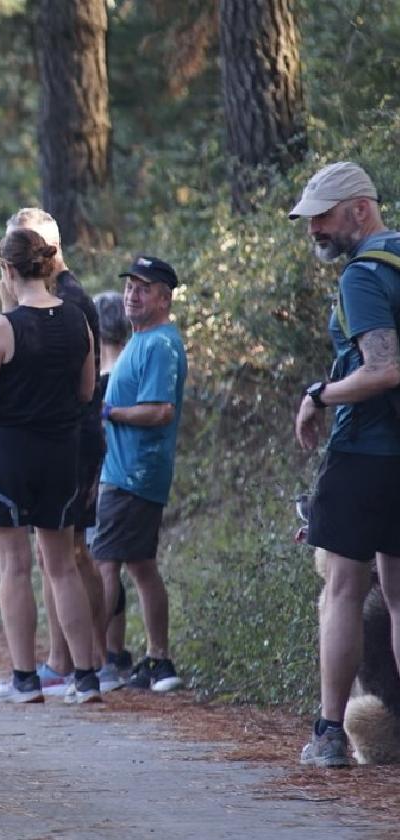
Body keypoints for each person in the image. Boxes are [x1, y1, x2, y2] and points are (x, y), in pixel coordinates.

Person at [288, 161, 400, 767]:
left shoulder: (363, 275)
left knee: (342, 589)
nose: (315, 230)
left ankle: (329, 733)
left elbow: (384, 368)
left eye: (324, 216)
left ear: (361, 208)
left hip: (365, 454)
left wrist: (318, 396)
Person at [0, 228, 100, 705]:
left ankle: (25, 678)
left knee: (14, 566)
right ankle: (86, 677)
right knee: (62, 566)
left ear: (6, 270)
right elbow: (86, 393)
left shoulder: (2, 327)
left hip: (7, 455)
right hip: (62, 454)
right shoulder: (78, 322)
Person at [3, 208, 109, 697]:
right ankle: (68, 660)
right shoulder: (57, 298)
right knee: (63, 556)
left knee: (68, 555)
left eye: (25, 245)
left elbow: (84, 385)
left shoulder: (69, 301)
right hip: (66, 437)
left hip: (72, 438)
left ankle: (85, 659)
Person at [91, 255, 187, 693]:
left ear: (164, 298)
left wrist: (111, 412)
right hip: (126, 471)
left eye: (143, 288)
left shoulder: (160, 344)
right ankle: (158, 660)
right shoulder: (141, 339)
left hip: (133, 473)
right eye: (130, 286)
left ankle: (94, 663)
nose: (132, 293)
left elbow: (160, 411)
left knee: (103, 564)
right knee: (140, 566)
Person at [91, 290, 135, 683]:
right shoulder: (131, 368)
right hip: (128, 478)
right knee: (113, 568)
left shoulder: (104, 380)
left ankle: (100, 654)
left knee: (101, 567)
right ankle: (114, 651)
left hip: (104, 479)